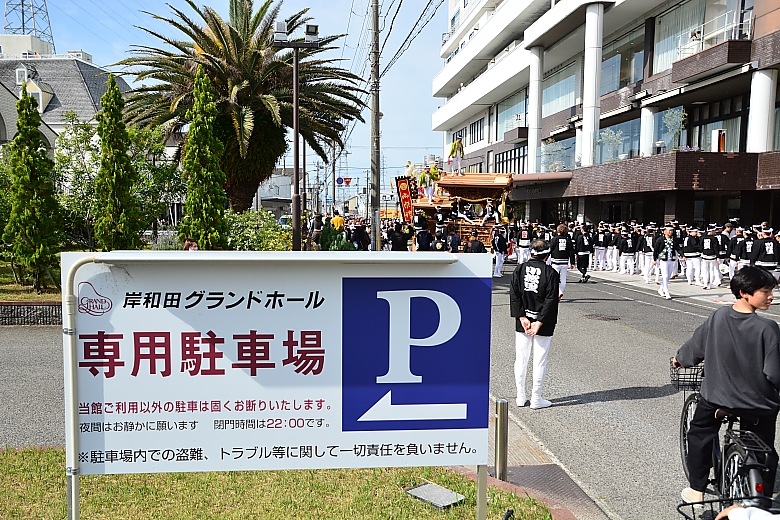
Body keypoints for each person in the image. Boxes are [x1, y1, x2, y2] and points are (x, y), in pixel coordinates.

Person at [674, 267, 780, 504]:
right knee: (763, 447)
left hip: (718, 398)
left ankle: (697, 488)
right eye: (765, 292)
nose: (771, 297)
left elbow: (696, 347)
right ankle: (762, 500)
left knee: (699, 434)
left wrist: (680, 359)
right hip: (758, 403)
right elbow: (774, 372)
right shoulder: (768, 328)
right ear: (744, 292)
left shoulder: (719, 317)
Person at [510, 239, 560, 409]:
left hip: (523, 319)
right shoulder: (551, 272)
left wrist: (522, 317)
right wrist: (539, 321)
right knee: (540, 360)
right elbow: (551, 300)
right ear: (547, 255)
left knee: (521, 358)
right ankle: (536, 398)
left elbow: (514, 295)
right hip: (544, 321)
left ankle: (520, 396)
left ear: (531, 252)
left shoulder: (520, 269)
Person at [653, 224, 679, 299]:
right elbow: (656, 250)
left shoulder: (673, 240)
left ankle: (661, 289)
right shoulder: (660, 239)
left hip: (671, 259)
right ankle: (666, 292)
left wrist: (682, 255)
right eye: (669, 230)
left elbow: (677, 248)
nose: (670, 232)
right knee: (665, 276)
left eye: (672, 230)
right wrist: (655, 259)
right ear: (665, 231)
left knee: (668, 276)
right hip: (663, 259)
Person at [550, 224, 574, 300]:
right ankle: (561, 292)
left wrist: (546, 258)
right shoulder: (568, 240)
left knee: (555, 278)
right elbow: (571, 252)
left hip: (555, 260)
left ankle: (555, 293)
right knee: (563, 278)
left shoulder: (554, 239)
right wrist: (572, 262)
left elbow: (550, 249)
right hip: (565, 261)